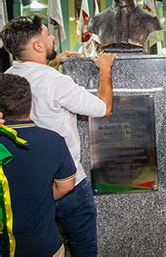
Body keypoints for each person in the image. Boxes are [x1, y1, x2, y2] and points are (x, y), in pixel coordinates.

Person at [1, 14, 116, 256]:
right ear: (38, 46)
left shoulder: (9, 78)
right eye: (46, 34)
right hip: (69, 182)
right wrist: (105, 69)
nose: (52, 36)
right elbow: (103, 108)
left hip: (31, 185)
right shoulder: (57, 82)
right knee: (83, 248)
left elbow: (35, 80)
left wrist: (53, 63)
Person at [0, 73, 76, 256]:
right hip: (45, 244)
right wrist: (38, 196)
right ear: (30, 103)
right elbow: (67, 184)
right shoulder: (54, 140)